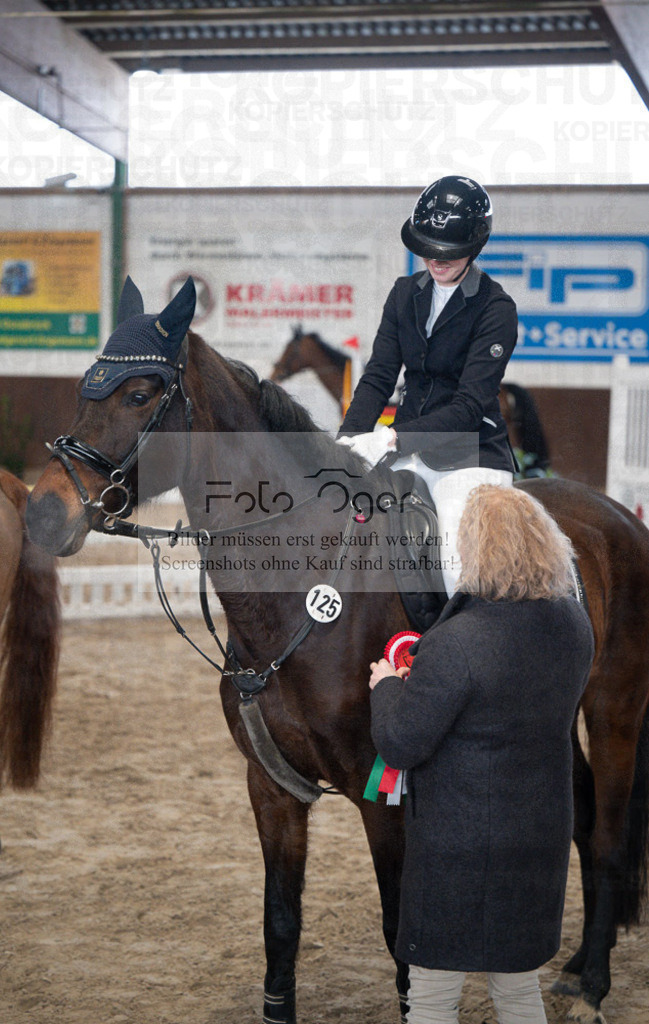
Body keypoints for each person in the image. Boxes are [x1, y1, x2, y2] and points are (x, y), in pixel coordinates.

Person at [368, 485, 595, 1024]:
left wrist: (386, 686)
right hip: (538, 837)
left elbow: (401, 741)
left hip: (458, 847)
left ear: (473, 549)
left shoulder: (455, 643)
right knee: (518, 990)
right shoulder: (575, 627)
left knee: (431, 994)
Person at [337, 175, 518, 596]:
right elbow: (380, 375)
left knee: (457, 566)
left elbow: (470, 405)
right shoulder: (404, 293)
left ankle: (464, 648)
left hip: (468, 454)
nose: (436, 259)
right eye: (428, 249)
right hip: (405, 448)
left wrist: (393, 439)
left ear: (474, 247)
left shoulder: (496, 308)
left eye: (448, 252)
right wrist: (348, 440)